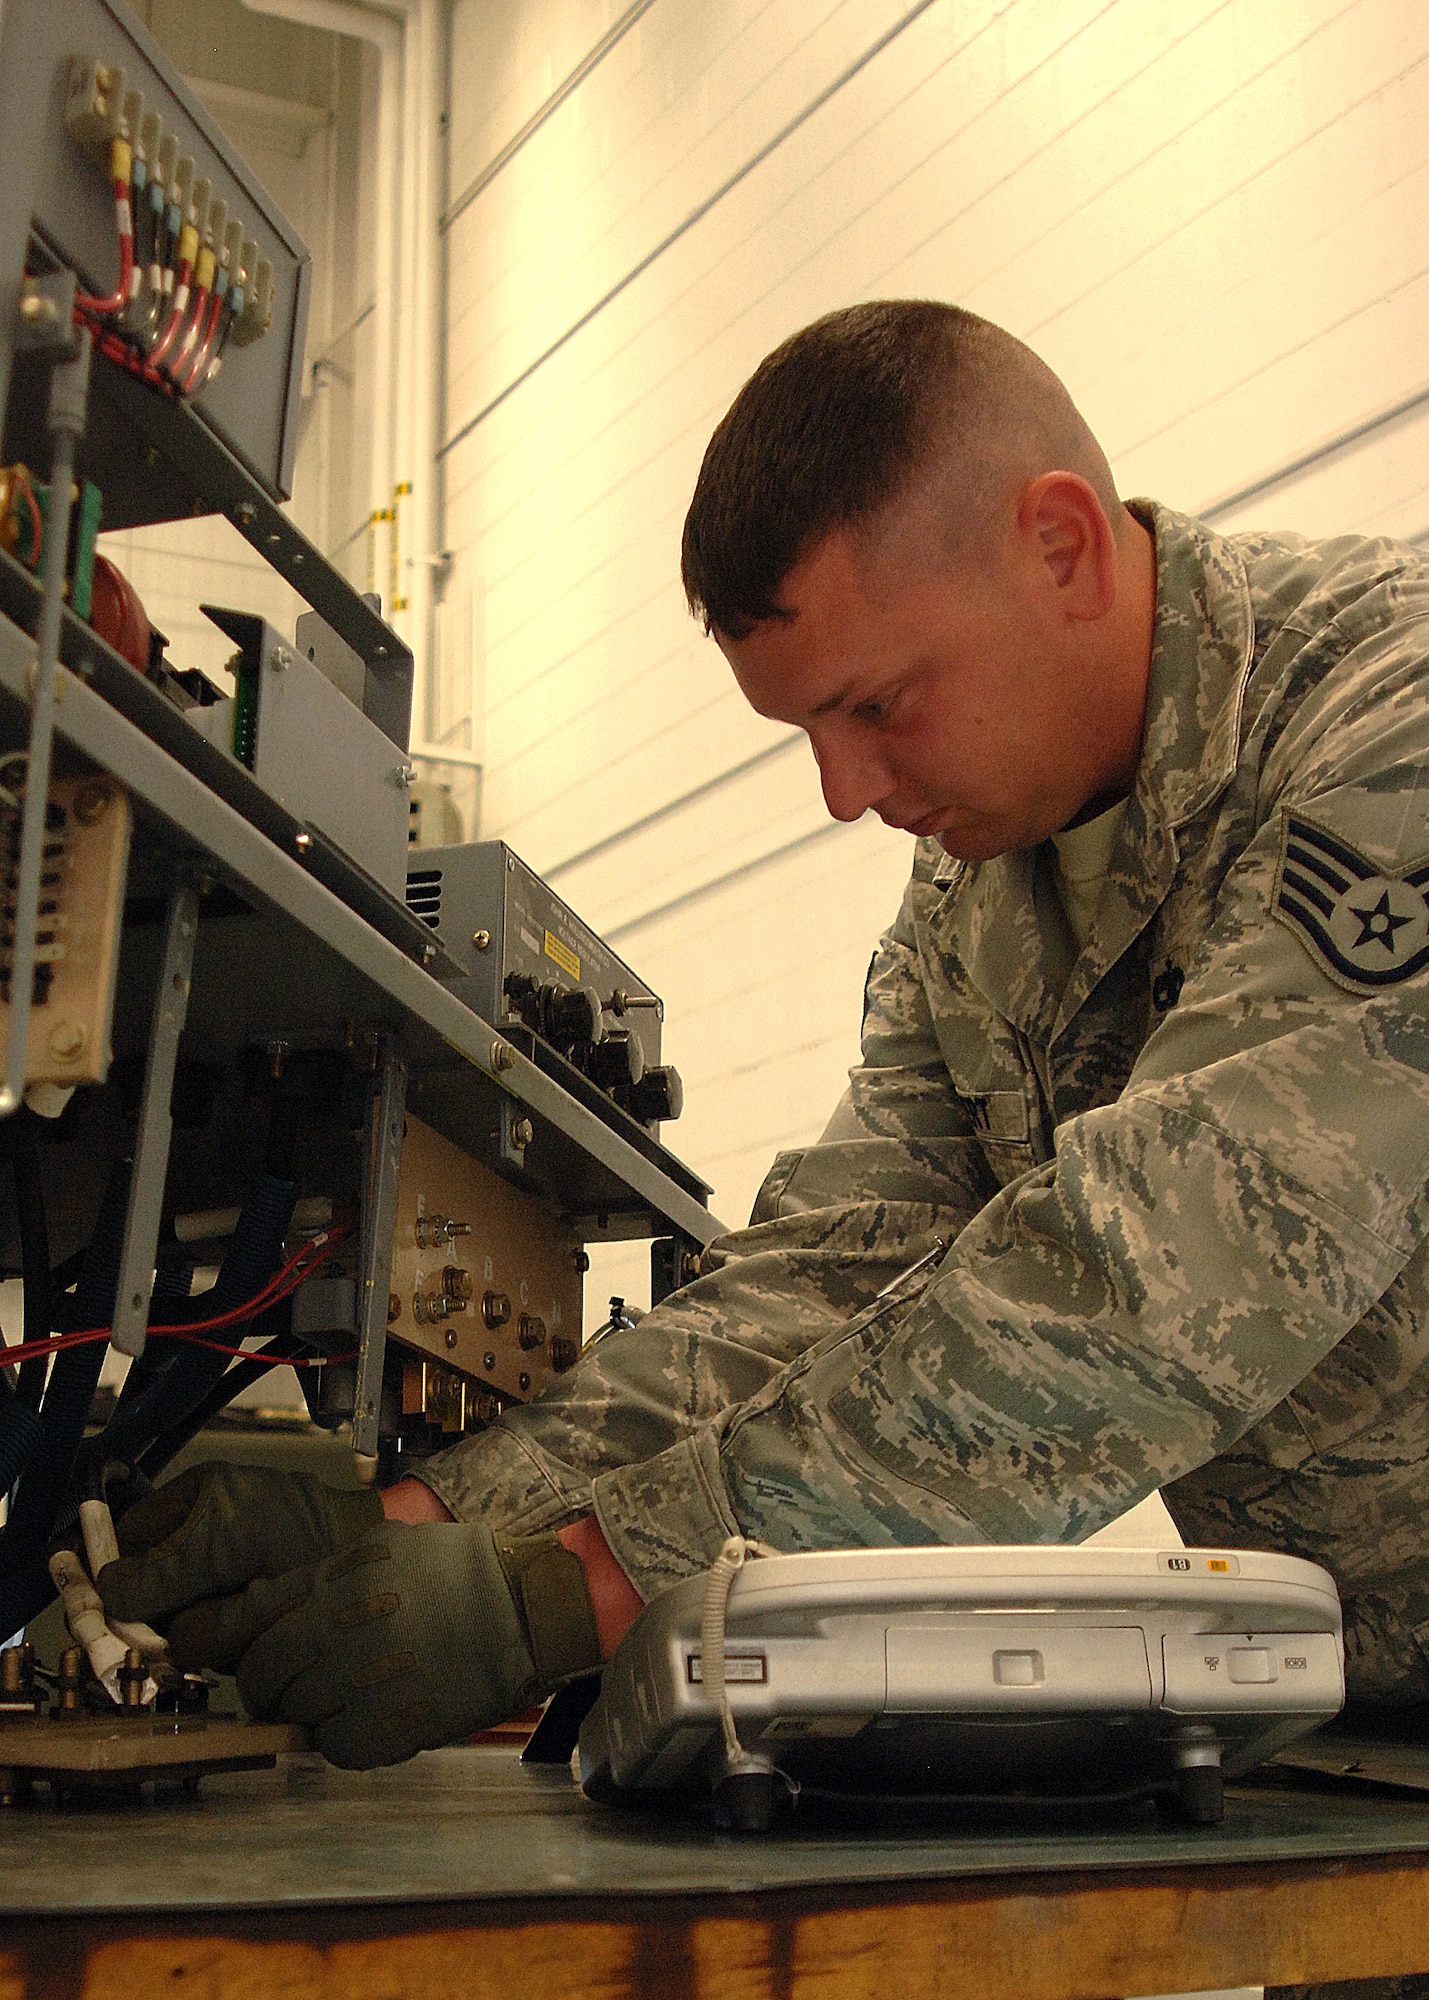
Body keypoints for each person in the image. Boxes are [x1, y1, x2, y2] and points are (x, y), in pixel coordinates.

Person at [100, 300, 1429, 1777]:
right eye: (807, 731)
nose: (843, 794)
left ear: (1059, 545)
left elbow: (1168, 1265)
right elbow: (825, 1278)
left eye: (877, 705)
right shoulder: (979, 892)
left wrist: (578, 1589)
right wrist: (429, 1523)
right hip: (1364, 1733)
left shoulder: (1390, 715)